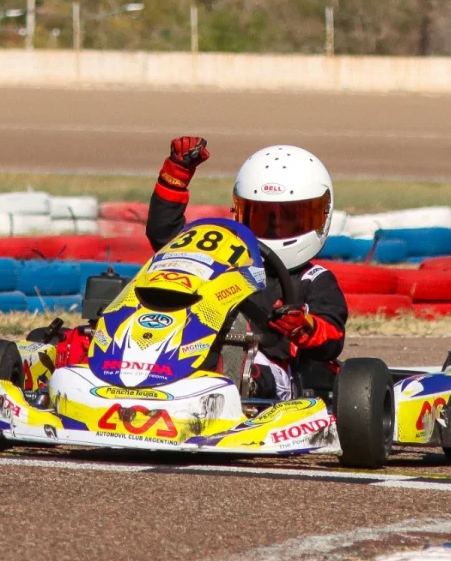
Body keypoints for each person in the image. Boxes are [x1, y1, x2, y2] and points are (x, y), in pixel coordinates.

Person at [146, 136, 348, 399]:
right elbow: (167, 241)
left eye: (289, 218)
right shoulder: (230, 260)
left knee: (248, 357)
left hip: (276, 374)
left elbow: (332, 339)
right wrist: (177, 173)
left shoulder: (314, 280)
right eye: (263, 216)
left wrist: (304, 326)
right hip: (196, 349)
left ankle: (224, 382)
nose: (275, 227)